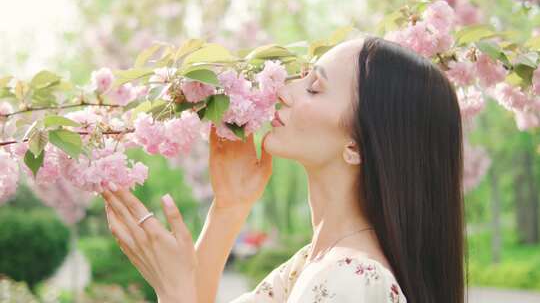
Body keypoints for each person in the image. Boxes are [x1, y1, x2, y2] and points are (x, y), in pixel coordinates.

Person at [101, 36, 465, 303]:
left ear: (356, 146)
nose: (284, 91)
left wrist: (174, 290)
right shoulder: (311, 264)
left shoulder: (353, 280)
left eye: (314, 88)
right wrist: (230, 207)